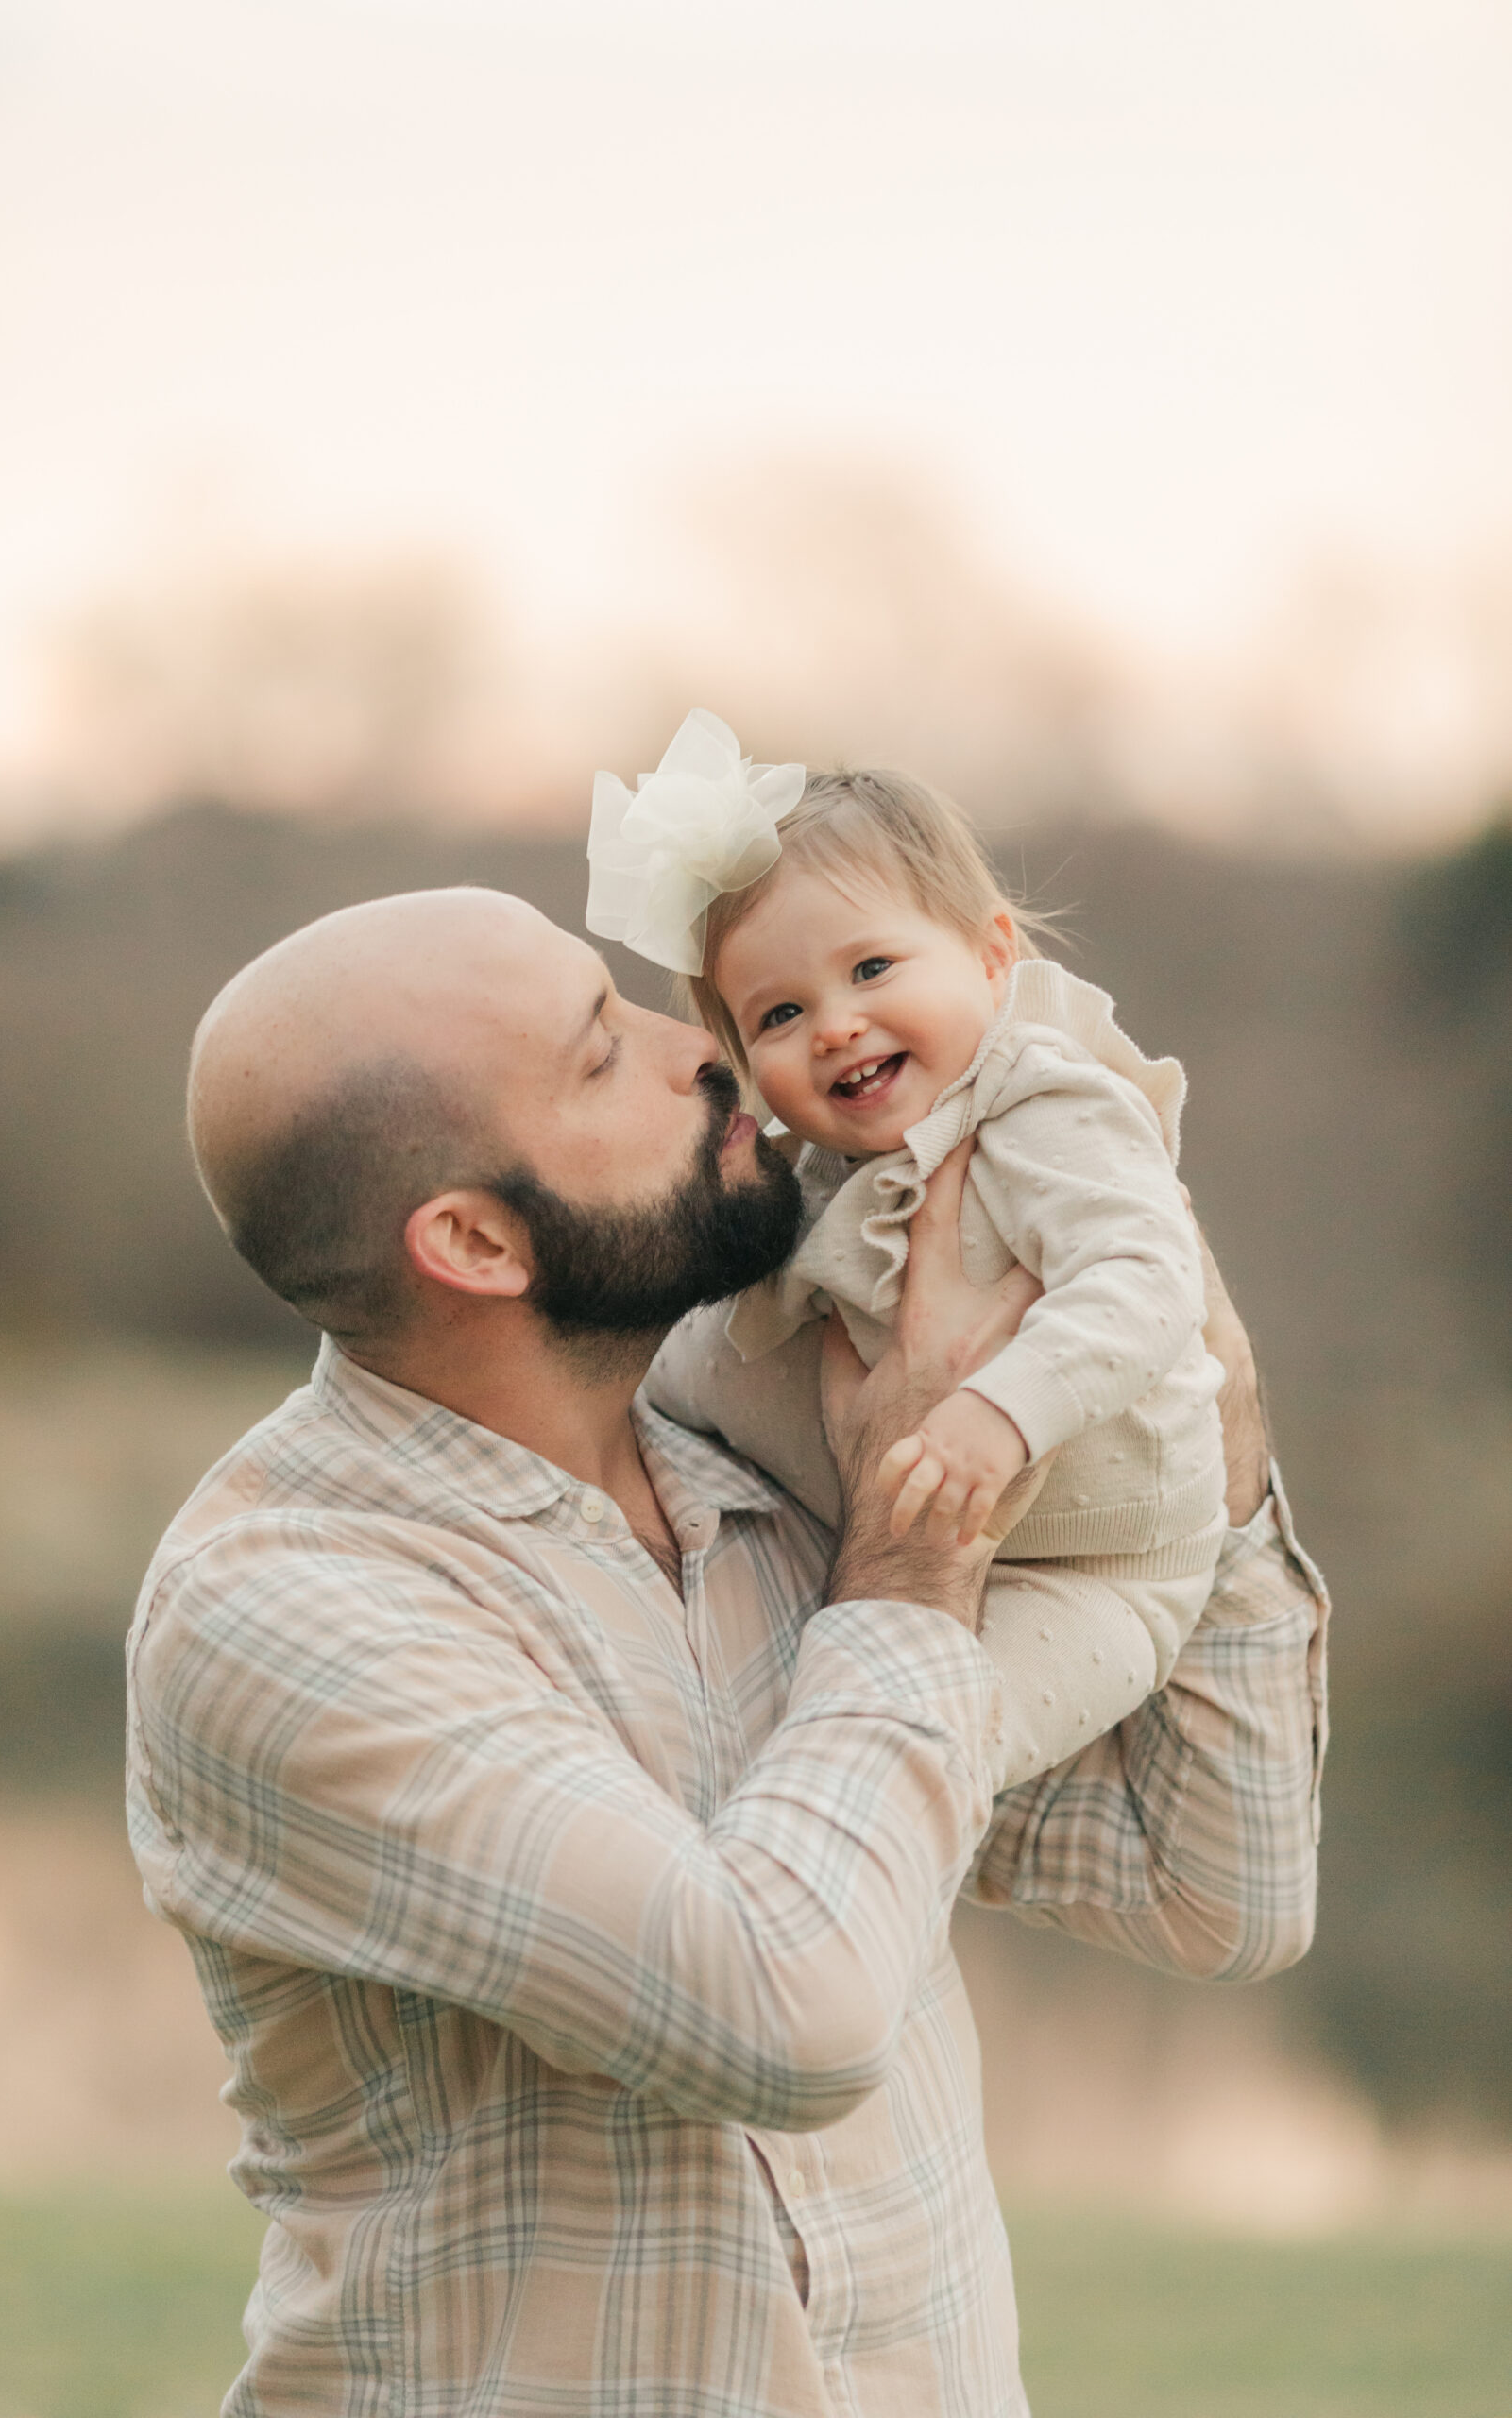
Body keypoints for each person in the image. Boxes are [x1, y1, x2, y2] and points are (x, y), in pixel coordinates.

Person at [128, 878, 1326, 2418]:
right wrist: (905, 1575)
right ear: (478, 1240)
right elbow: (780, 2012)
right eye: (596, 1056)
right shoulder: (287, 1611)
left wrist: (1169, 1370)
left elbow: (1212, 1889)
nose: (696, 1045)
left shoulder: (769, 1468)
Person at [615, 713, 1225, 1785]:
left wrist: (1002, 1411)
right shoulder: (815, 1172)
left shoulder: (1044, 1102)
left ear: (992, 957)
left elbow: (1144, 1279)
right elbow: (731, 1339)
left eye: (874, 966)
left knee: (924, 1755)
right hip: (909, 1532)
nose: (838, 1026)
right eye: (781, 1013)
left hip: (1102, 1563)